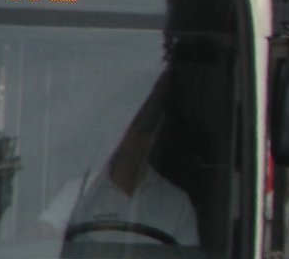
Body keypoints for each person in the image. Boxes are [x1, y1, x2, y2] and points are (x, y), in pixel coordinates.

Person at [38, 78, 199, 246]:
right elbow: (42, 235)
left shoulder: (177, 204)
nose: (124, 136)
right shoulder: (77, 192)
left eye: (136, 127)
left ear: (150, 134)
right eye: (118, 126)